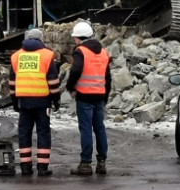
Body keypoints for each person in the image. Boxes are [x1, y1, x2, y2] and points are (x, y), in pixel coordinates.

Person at [9, 28, 61, 177]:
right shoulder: (47, 55)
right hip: (42, 101)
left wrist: (14, 101)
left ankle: (25, 167)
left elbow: (12, 82)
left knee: (24, 132)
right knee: (43, 132)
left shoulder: (16, 56)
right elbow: (53, 80)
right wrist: (56, 99)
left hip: (24, 102)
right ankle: (42, 168)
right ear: (41, 40)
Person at [67, 20, 111, 176]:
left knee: (86, 129)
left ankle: (85, 164)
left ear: (78, 38)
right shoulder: (103, 52)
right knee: (99, 128)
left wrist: (70, 87)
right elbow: (108, 77)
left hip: (84, 96)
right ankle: (102, 163)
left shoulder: (81, 51)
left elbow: (76, 70)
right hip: (99, 95)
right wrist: (105, 97)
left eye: (74, 38)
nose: (74, 41)